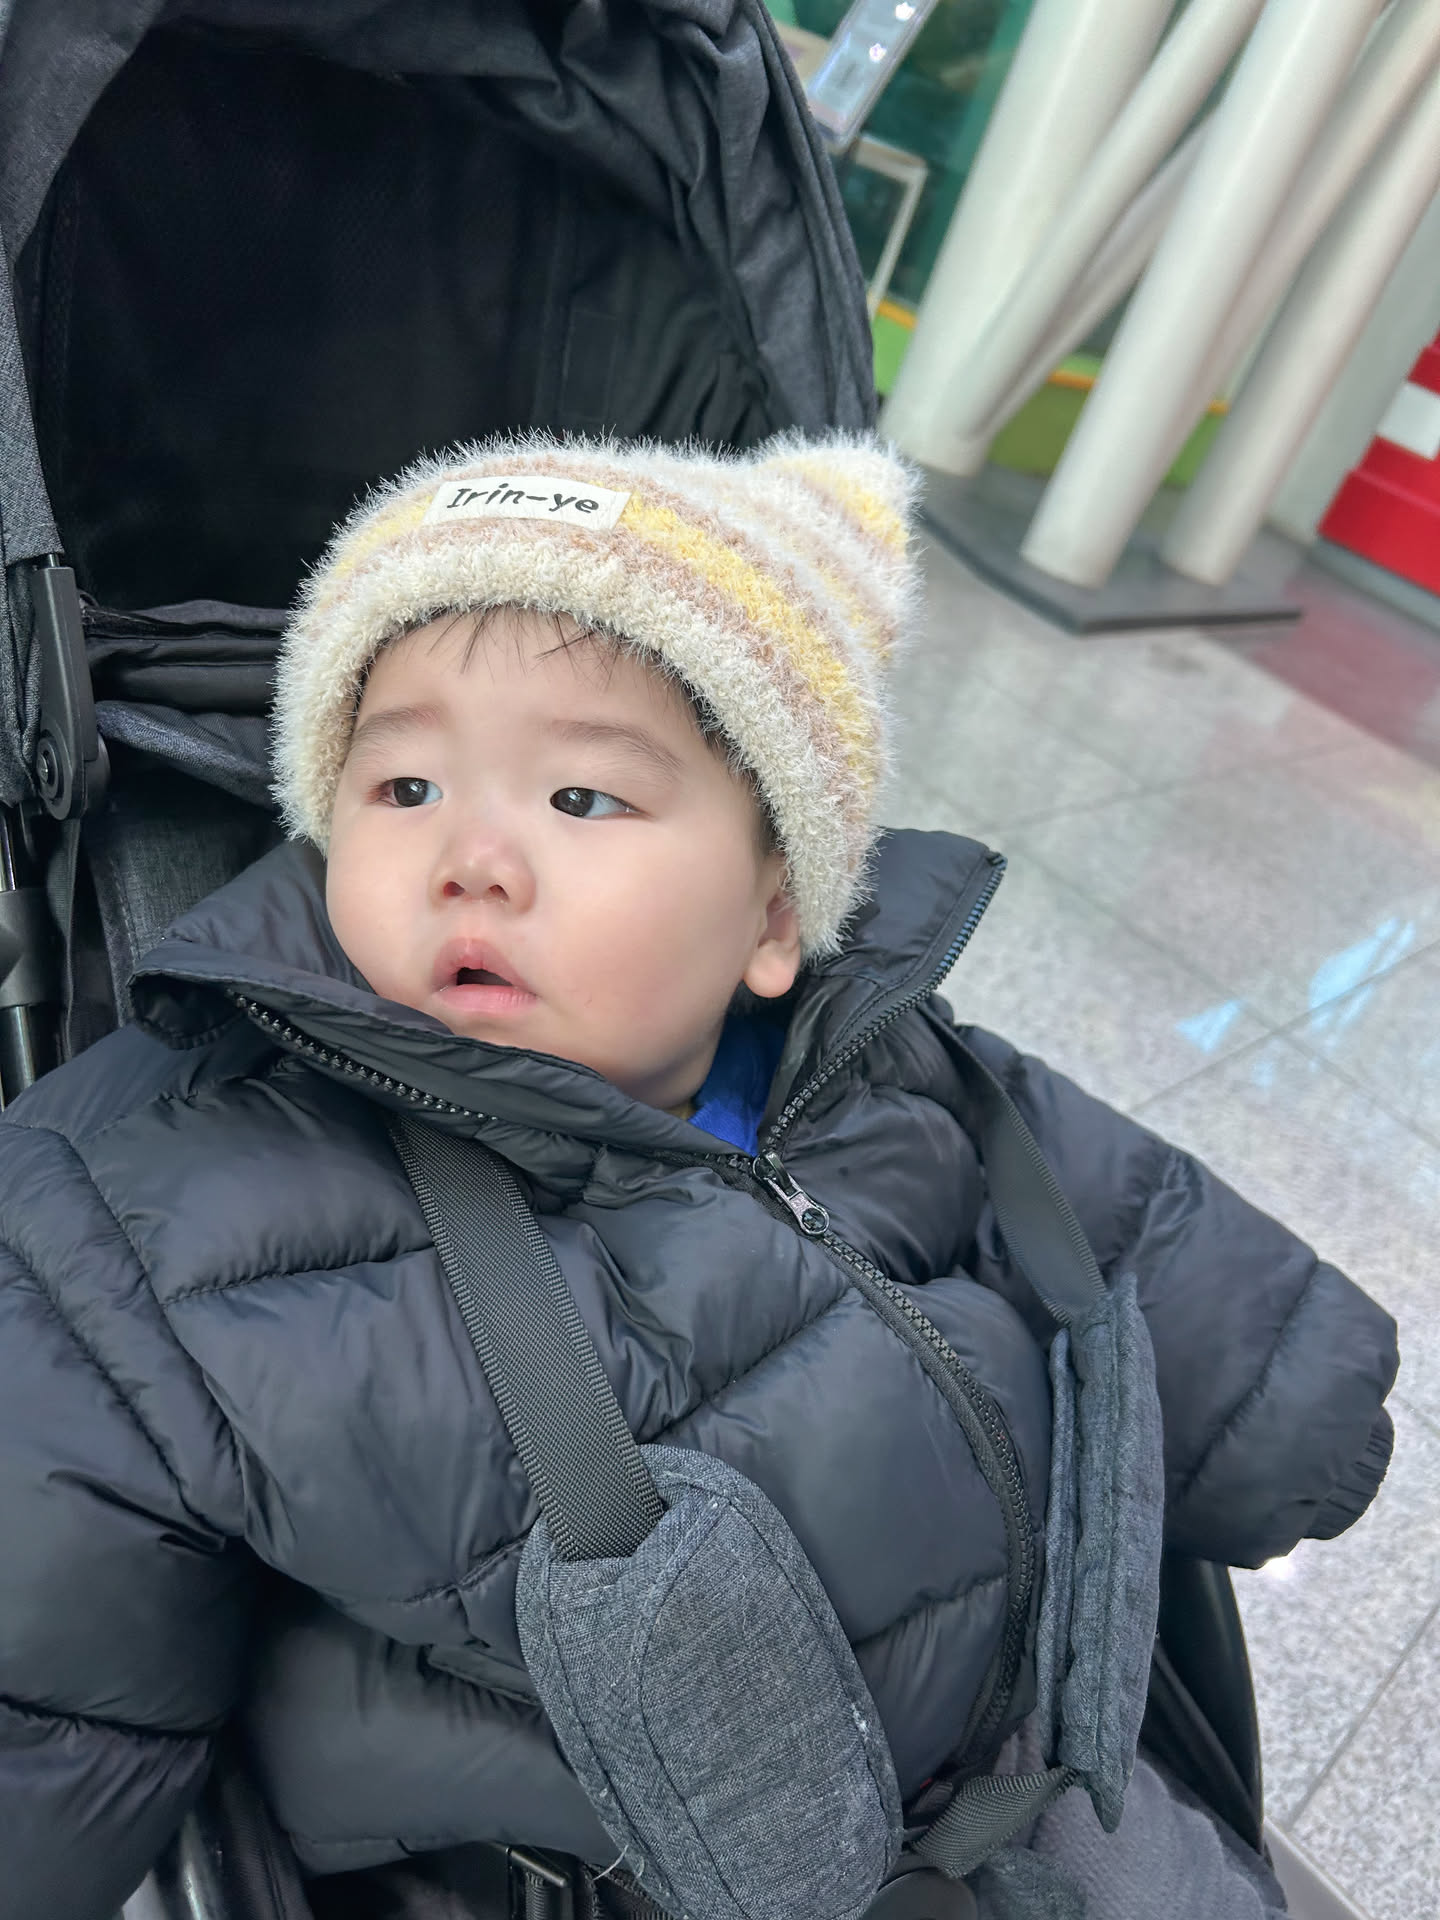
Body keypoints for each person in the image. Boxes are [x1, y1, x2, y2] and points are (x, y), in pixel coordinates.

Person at [0, 433, 1397, 1920]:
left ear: (773, 921)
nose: (471, 857)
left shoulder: (884, 1059)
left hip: (1030, 1776)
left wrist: (1288, 1405)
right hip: (581, 1869)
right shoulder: (147, 1214)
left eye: (582, 800)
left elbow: (1114, 1215)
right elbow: (50, 1673)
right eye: (403, 783)